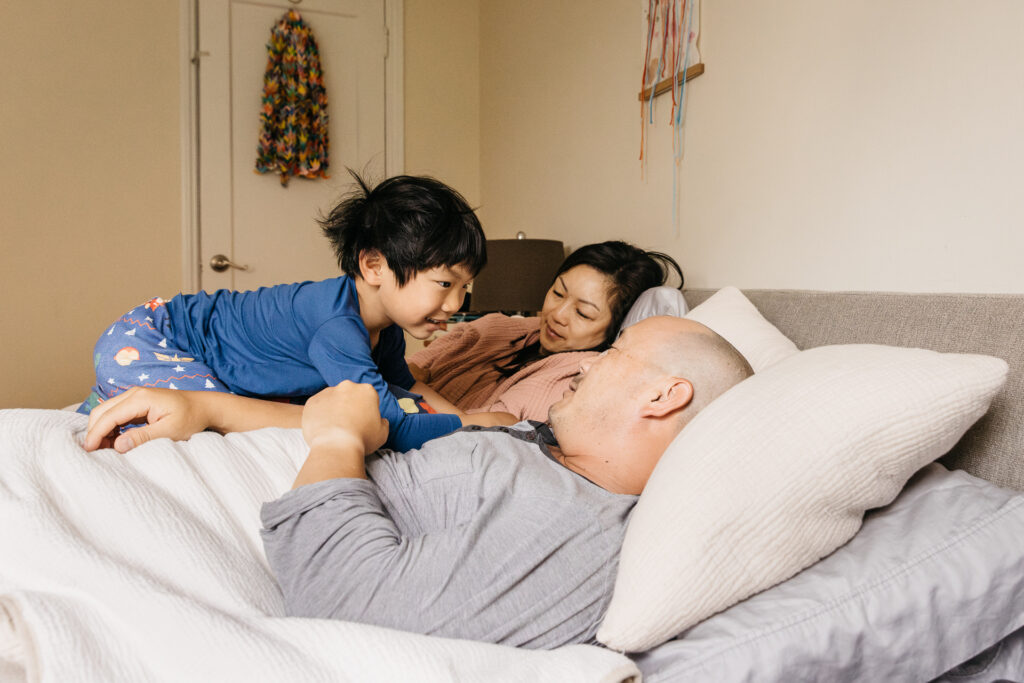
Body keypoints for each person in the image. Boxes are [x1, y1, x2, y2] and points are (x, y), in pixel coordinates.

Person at [83, 316, 753, 649]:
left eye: (611, 354)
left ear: (665, 395)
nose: (583, 364)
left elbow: (346, 604)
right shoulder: (526, 440)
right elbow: (367, 422)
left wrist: (339, 441)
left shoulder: (572, 520)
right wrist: (212, 410)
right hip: (182, 456)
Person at [76, 171, 515, 452]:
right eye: (444, 284)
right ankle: (111, 401)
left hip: (158, 336)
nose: (457, 304)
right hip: (150, 337)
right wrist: (471, 426)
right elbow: (386, 424)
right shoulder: (337, 326)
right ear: (374, 265)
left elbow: (405, 384)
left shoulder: (386, 326)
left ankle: (108, 397)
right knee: (216, 419)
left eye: (465, 287)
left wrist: (469, 414)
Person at [408, 241, 685, 421]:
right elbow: (397, 370)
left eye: (583, 313)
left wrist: (408, 383)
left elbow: (473, 433)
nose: (558, 314)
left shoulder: (575, 383)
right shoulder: (495, 327)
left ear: (614, 330)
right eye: (557, 292)